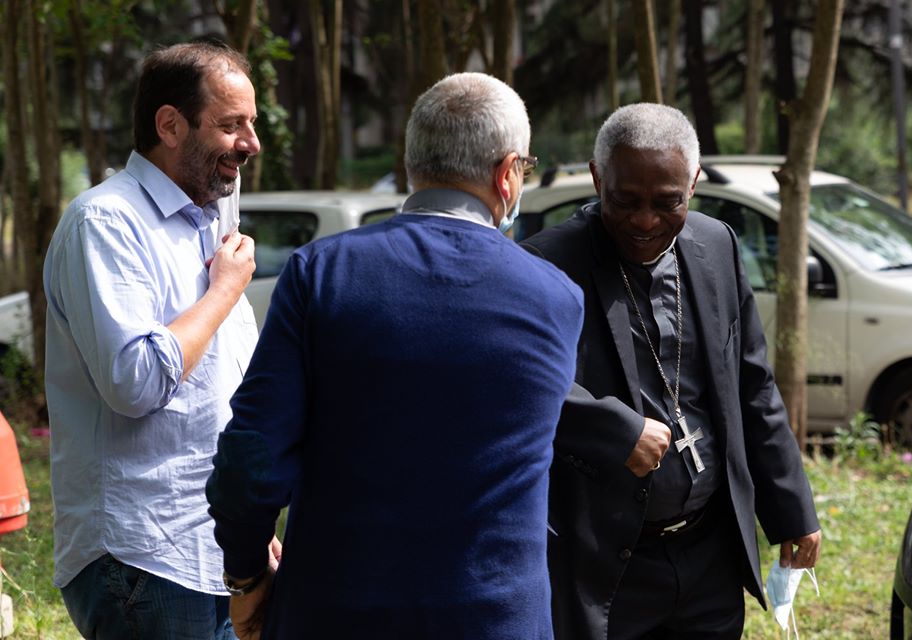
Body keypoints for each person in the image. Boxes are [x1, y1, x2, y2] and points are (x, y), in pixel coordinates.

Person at [205, 72, 584, 640]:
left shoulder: (321, 273)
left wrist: (246, 576)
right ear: (508, 173)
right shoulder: (557, 297)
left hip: (335, 612)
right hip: (495, 616)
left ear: (411, 163)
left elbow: (251, 462)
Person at [521, 103, 822, 640]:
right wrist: (614, 431)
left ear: (694, 183)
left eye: (667, 203)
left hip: (709, 552)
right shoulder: (545, 265)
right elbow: (524, 384)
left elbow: (752, 385)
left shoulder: (717, 244)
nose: (644, 220)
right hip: (609, 563)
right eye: (625, 201)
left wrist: (791, 509)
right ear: (598, 178)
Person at [44, 40, 264, 639]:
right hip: (143, 559)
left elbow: (222, 390)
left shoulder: (212, 223)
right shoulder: (105, 222)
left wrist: (247, 522)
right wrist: (224, 291)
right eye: (231, 125)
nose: (251, 143)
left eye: (252, 124)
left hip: (212, 549)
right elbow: (135, 383)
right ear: (170, 125)